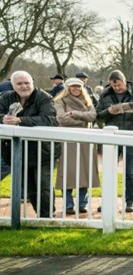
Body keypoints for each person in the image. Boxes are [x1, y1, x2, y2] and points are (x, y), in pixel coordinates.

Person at [0, 71, 56, 217]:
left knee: (43, 185)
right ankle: (41, 215)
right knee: (30, 187)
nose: (24, 86)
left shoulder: (44, 98)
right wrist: (3, 119)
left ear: (32, 82)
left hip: (43, 150)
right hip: (18, 151)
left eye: (27, 83)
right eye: (19, 83)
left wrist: (20, 121)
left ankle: (47, 216)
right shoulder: (6, 97)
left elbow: (49, 120)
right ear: (13, 85)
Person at [96, 70, 133, 213]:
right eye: (114, 86)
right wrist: (108, 111)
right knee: (109, 171)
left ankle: (130, 202)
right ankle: (108, 201)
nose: (117, 88)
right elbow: (97, 115)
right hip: (111, 137)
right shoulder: (105, 95)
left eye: (119, 85)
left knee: (130, 172)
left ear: (125, 81)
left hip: (130, 135)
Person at [54, 78, 100, 215]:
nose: (76, 89)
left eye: (78, 87)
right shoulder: (59, 101)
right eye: (73, 87)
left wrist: (75, 114)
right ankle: (68, 204)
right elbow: (61, 119)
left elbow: (92, 116)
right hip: (68, 140)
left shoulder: (88, 100)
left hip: (85, 141)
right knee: (67, 173)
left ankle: (82, 204)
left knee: (85, 172)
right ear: (67, 88)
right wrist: (82, 120)